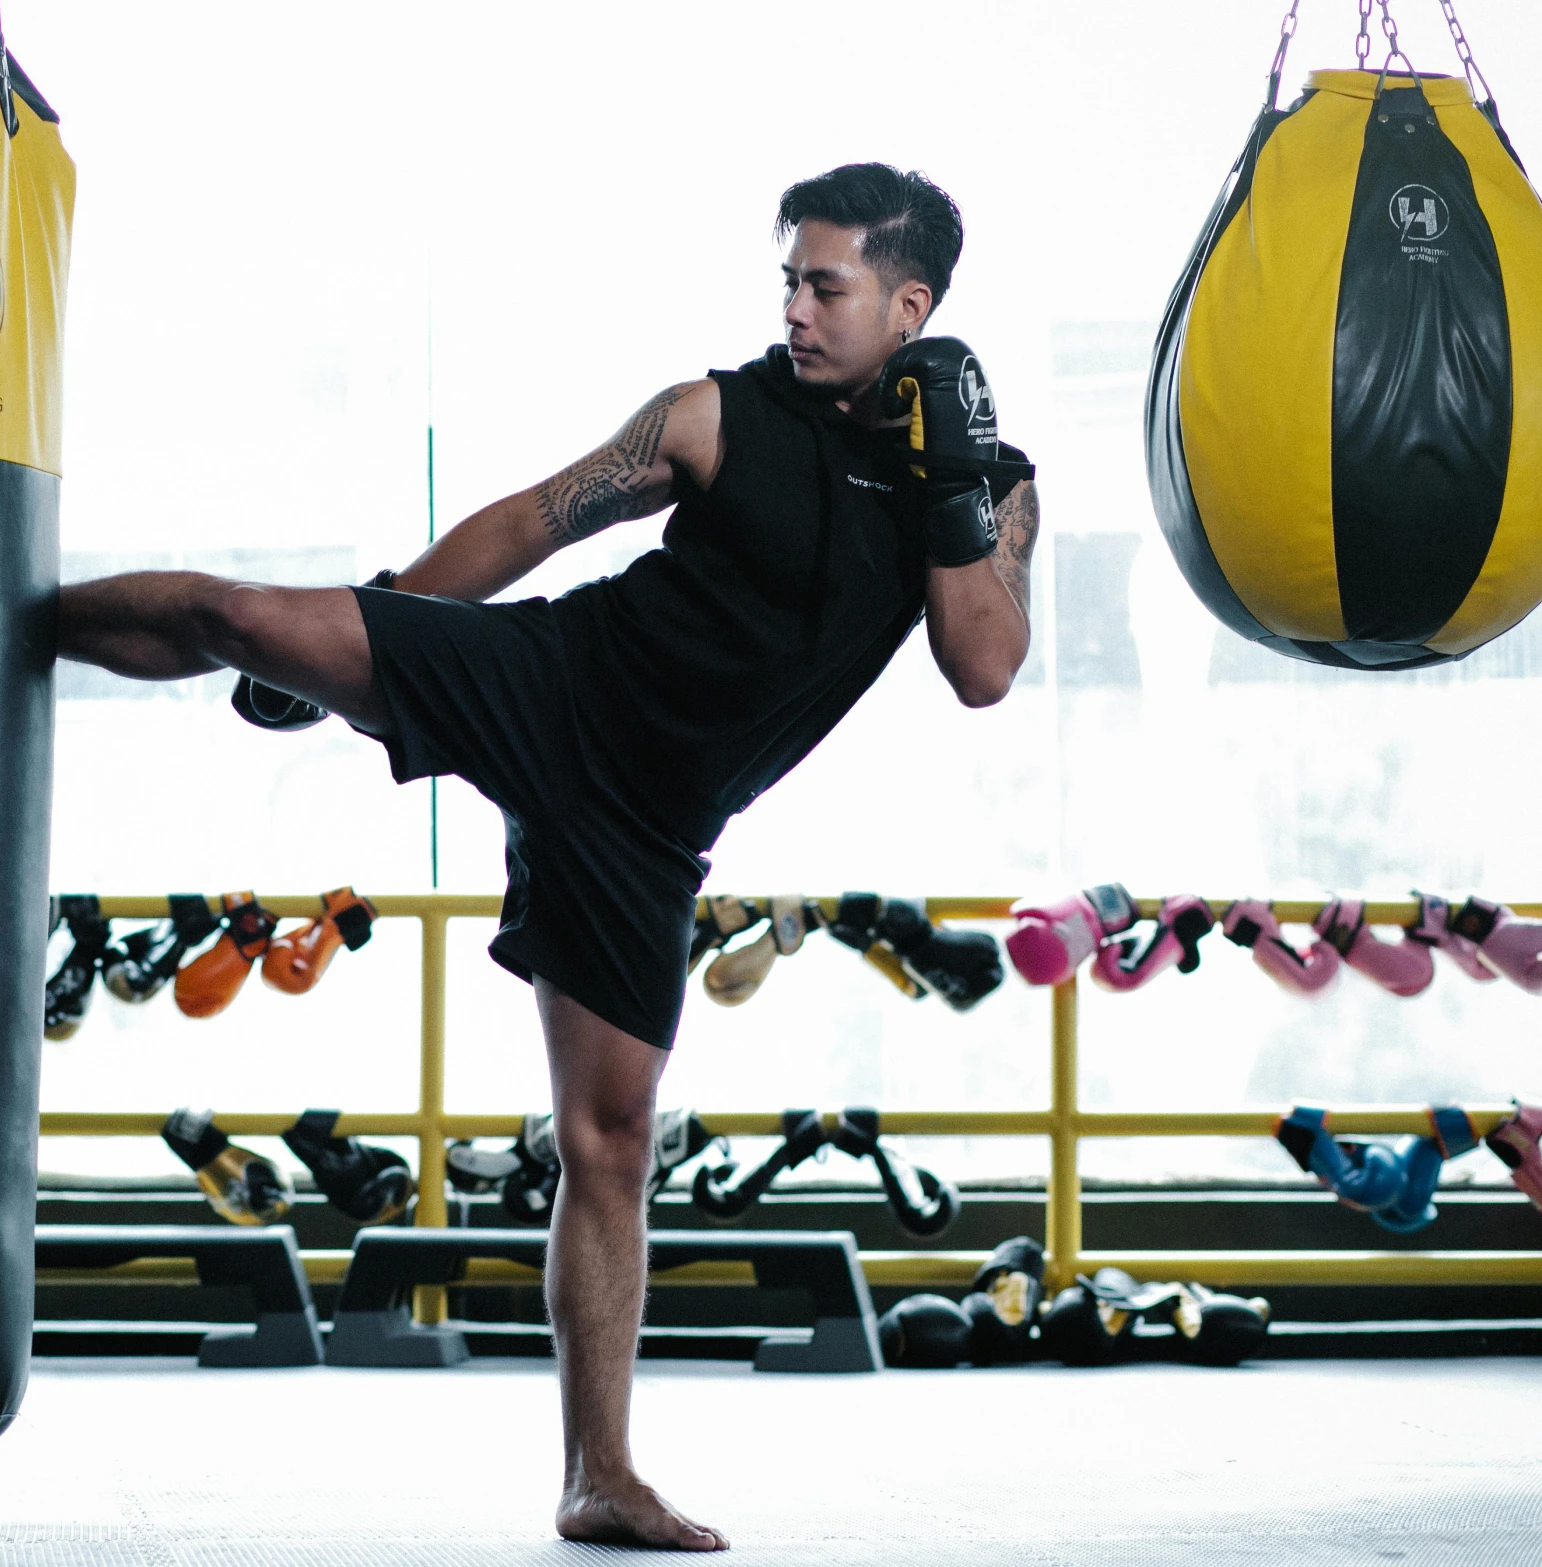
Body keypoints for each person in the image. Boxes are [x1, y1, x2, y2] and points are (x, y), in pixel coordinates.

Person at [56, 162, 1037, 1551]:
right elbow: (536, 519)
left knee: (609, 1136)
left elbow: (983, 664)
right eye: (788, 280)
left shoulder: (992, 493)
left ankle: (599, 1475)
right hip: (549, 679)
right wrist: (380, 622)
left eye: (827, 286)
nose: (797, 310)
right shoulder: (712, 411)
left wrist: (942, 487)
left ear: (910, 303)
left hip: (647, 831)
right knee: (240, 614)